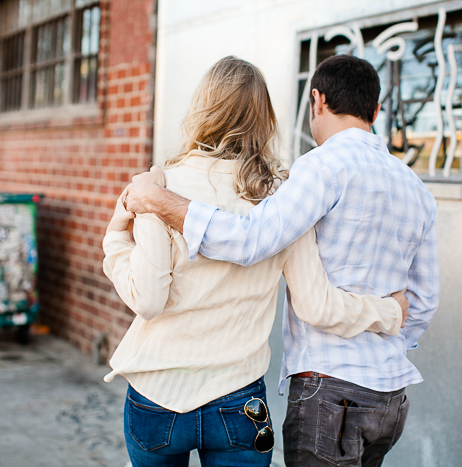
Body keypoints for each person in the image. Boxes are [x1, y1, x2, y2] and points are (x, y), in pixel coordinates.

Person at [122, 53, 440, 467]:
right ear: (376, 111)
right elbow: (424, 300)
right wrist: (389, 325)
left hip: (313, 392)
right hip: (377, 394)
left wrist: (156, 211)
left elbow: (251, 240)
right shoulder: (415, 188)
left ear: (317, 100)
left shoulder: (313, 171)